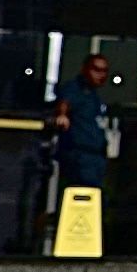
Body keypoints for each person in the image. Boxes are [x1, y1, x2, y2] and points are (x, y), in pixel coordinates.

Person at [48, 53, 118, 243]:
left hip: (96, 157)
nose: (101, 75)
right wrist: (62, 116)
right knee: (82, 196)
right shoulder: (75, 89)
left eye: (104, 71)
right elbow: (64, 104)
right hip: (80, 154)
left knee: (96, 200)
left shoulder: (95, 97)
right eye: (96, 70)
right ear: (85, 70)